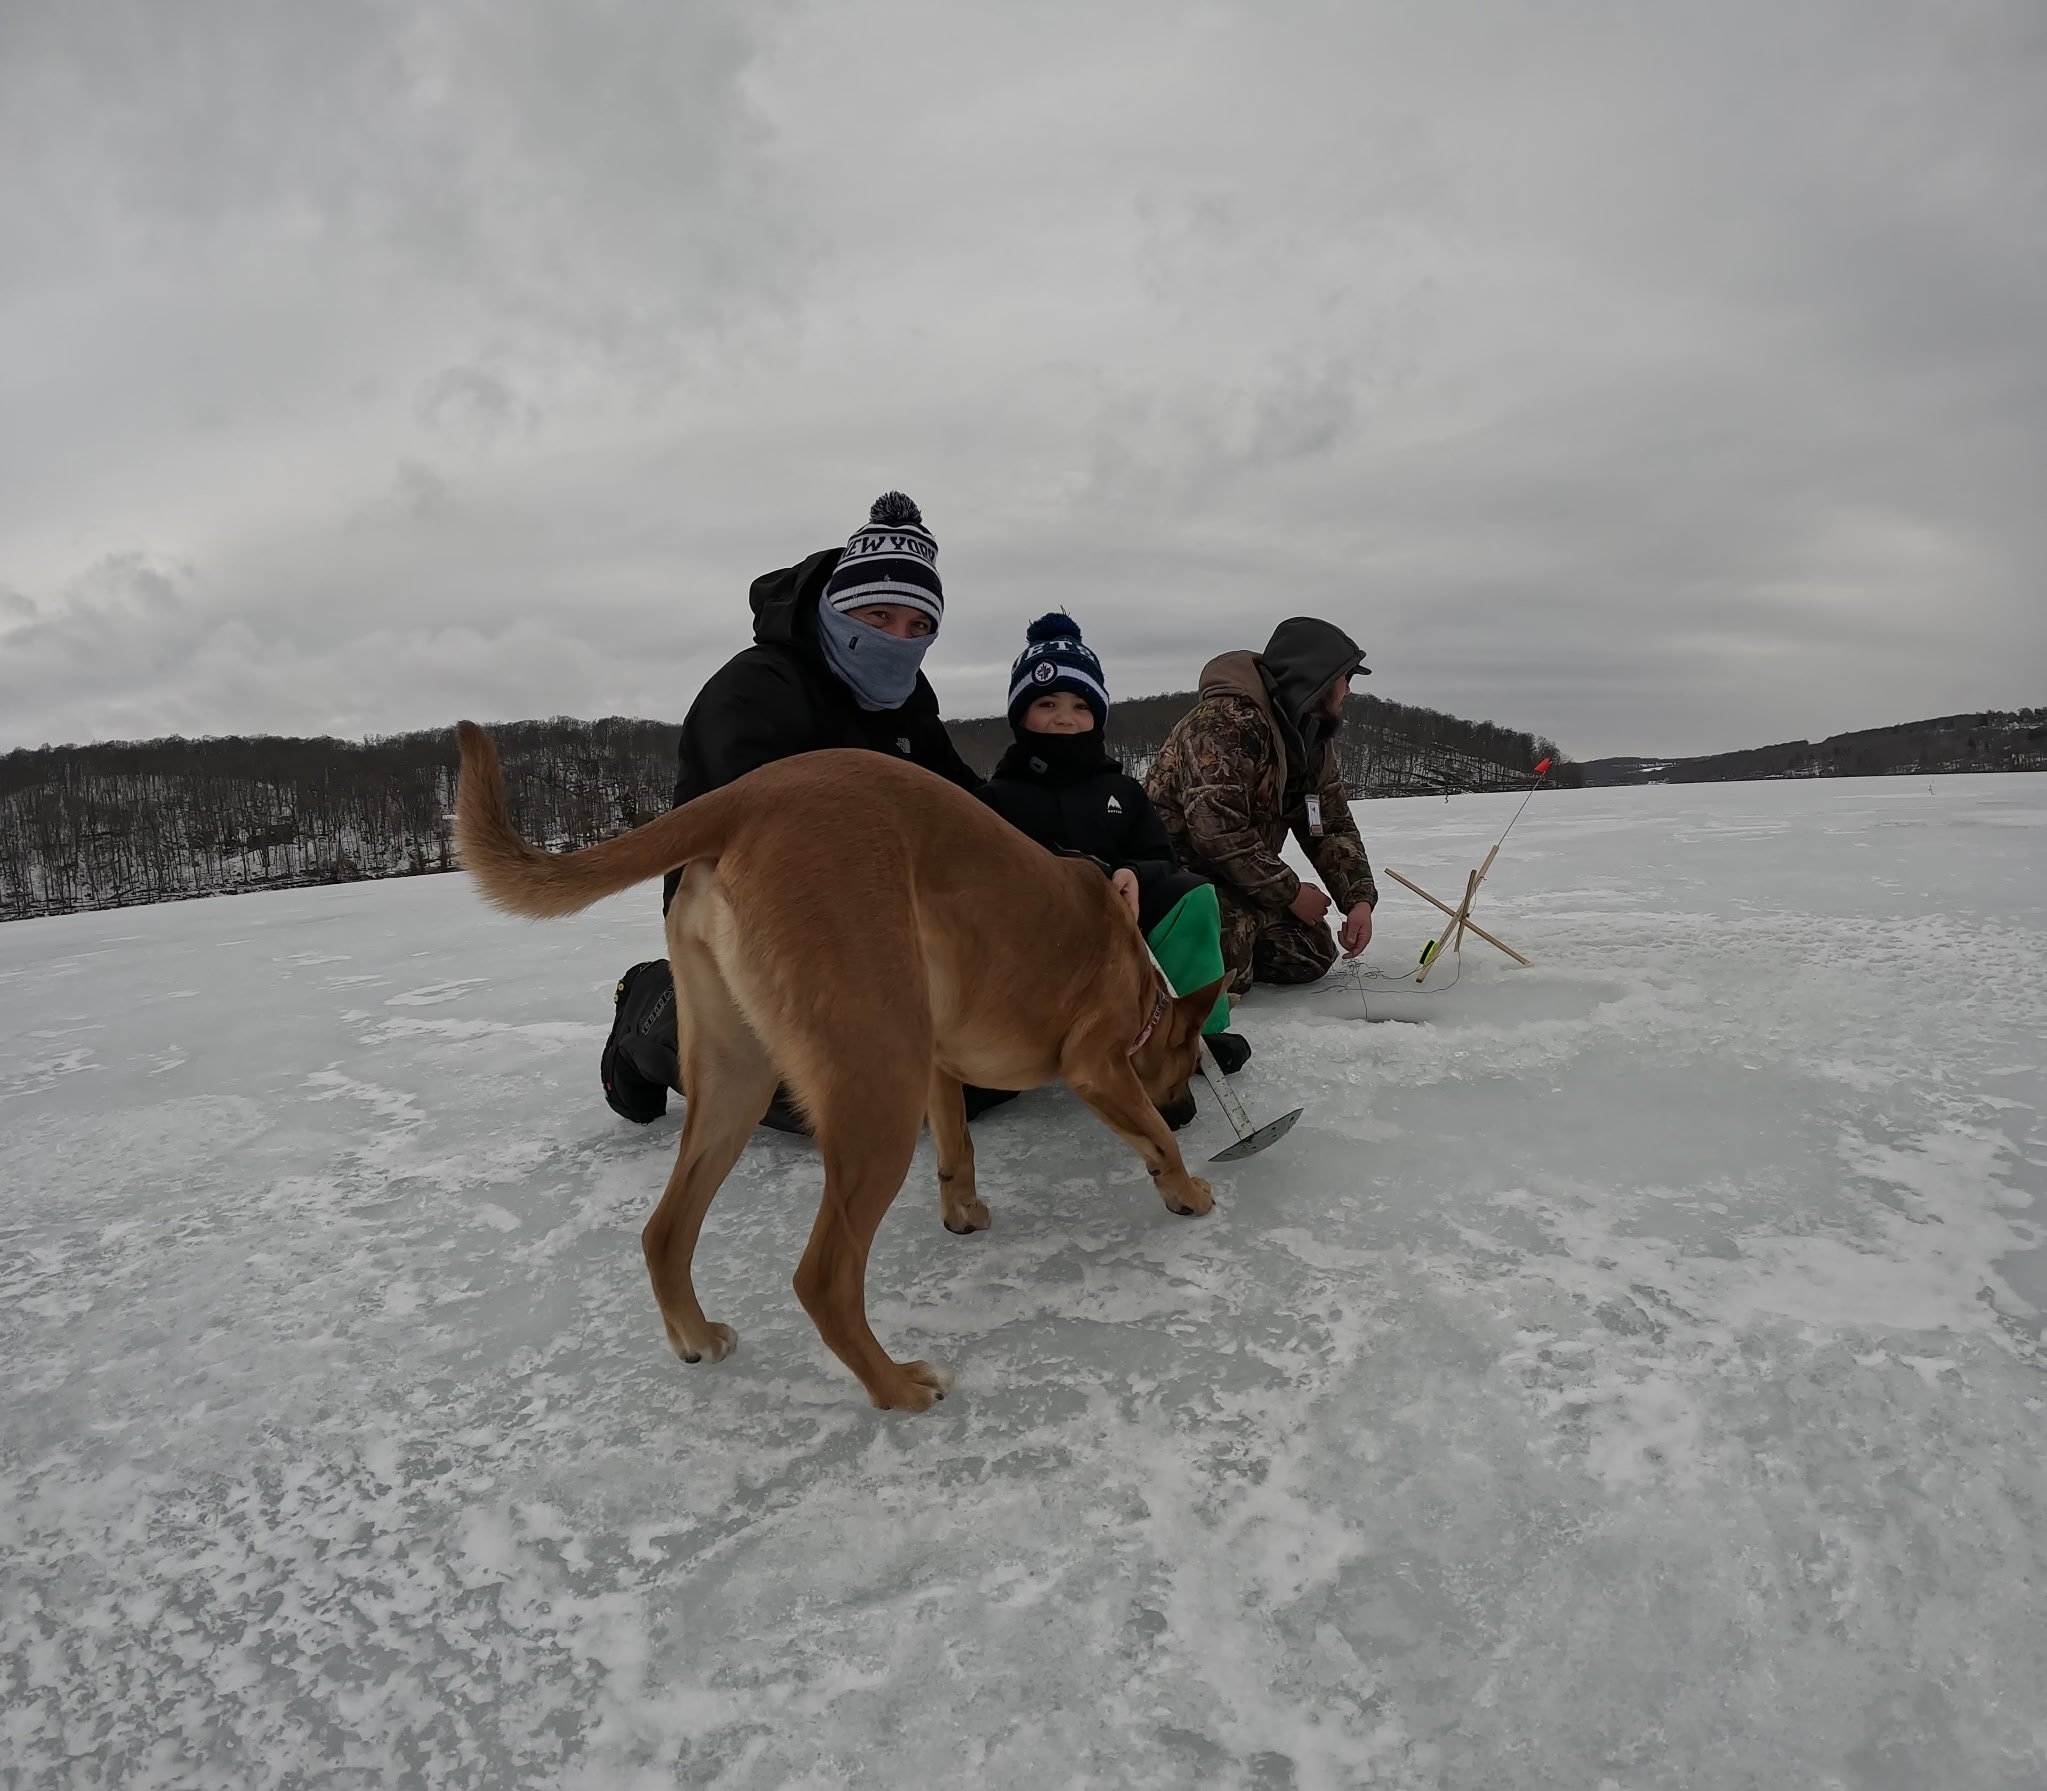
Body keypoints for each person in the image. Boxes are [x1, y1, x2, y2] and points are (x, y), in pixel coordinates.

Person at [602, 492, 984, 1129]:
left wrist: (1061, 860)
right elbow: (751, 851)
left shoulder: (908, 699)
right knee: (849, 1096)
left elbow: (967, 805)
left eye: (919, 628)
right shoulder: (756, 689)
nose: (898, 641)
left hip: (879, 921)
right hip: (743, 913)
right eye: (879, 615)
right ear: (837, 606)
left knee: (977, 1076)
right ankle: (658, 1010)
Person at [977, 614, 1252, 1082]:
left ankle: (1193, 1031)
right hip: (1035, 947)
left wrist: (1133, 875)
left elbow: (1160, 858)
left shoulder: (1122, 791)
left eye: (1081, 705)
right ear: (1020, 713)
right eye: (1046, 702)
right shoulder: (995, 798)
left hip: (1122, 926)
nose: (1065, 717)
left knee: (1192, 894)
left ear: (1097, 716)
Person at [1144, 617, 1379, 996]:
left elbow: (1330, 825)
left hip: (1242, 884)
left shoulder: (1311, 740)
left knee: (1310, 953)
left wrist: (1358, 900)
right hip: (1179, 881)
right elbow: (1217, 832)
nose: (1348, 691)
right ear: (1315, 678)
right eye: (1345, 678)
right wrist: (1290, 894)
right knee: (1227, 963)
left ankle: (1238, 941)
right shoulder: (1223, 723)